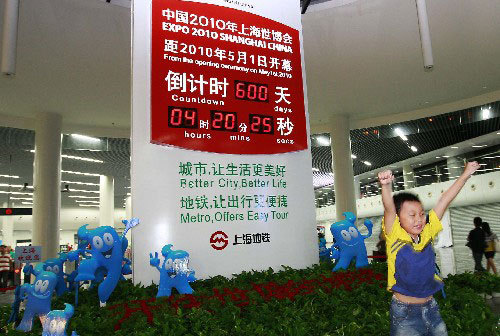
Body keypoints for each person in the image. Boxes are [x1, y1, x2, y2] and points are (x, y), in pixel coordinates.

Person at [379, 161, 479, 336]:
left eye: (421, 214)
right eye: (412, 215)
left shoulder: (427, 232)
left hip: (431, 308)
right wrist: (386, 186)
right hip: (405, 313)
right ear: (398, 218)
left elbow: (444, 199)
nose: (418, 219)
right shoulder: (394, 235)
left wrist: (465, 174)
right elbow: (389, 208)